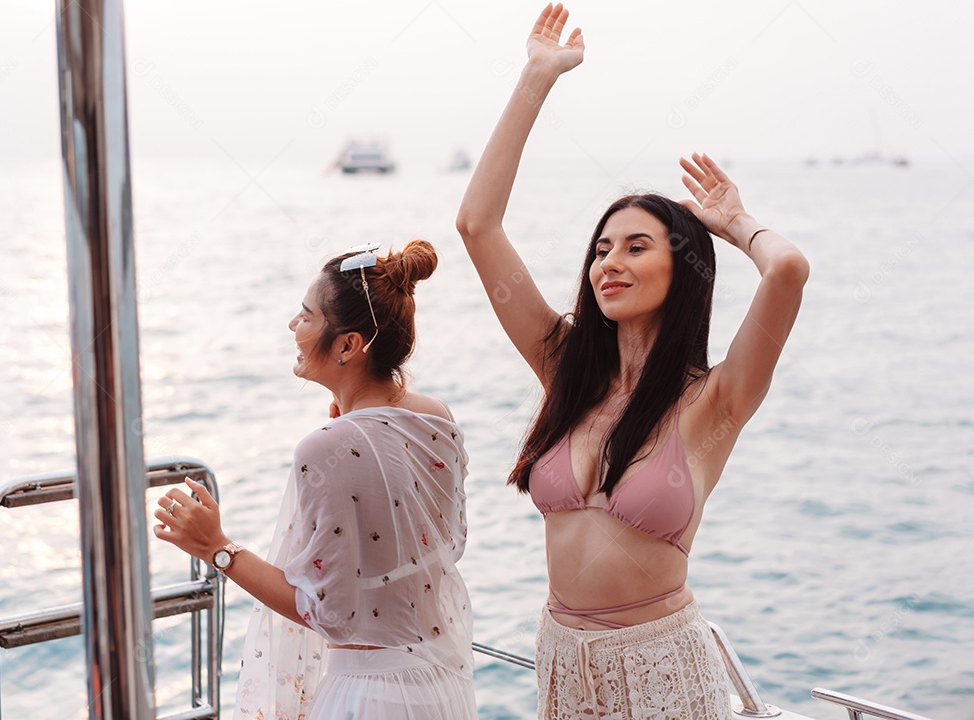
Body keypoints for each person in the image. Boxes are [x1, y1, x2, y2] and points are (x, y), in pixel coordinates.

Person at [456, 4, 810, 718]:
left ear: (682, 271)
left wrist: (736, 223)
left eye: (636, 247)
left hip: (662, 673)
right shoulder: (567, 370)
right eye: (600, 248)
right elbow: (477, 224)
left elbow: (788, 270)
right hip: (559, 661)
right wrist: (538, 76)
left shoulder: (715, 400)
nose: (608, 263)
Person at [153, 240, 477, 720]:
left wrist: (216, 547)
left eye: (306, 316)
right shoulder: (437, 418)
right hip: (441, 683)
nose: (293, 325)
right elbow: (445, 543)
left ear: (348, 345)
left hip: (373, 699)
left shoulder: (326, 446)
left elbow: (332, 616)